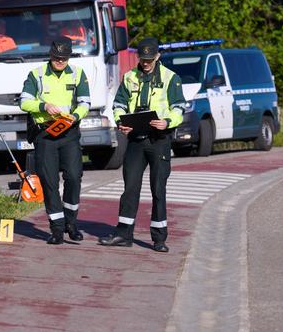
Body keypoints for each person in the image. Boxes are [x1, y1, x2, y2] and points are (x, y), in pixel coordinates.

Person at [99, 37, 185, 253]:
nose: (145, 63)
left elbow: (178, 109)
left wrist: (167, 122)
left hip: (159, 140)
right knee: (130, 189)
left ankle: (159, 238)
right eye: (142, 59)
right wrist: (121, 122)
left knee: (158, 189)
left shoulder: (170, 78)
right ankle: (123, 234)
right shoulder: (129, 77)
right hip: (136, 140)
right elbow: (118, 105)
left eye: (149, 59)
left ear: (157, 56)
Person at [20, 36, 91, 244]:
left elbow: (85, 103)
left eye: (64, 58)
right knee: (49, 181)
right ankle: (57, 229)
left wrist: (75, 116)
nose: (60, 61)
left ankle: (71, 223)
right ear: (50, 56)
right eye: (57, 57)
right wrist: (43, 106)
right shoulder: (37, 74)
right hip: (45, 133)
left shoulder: (78, 74)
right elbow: (24, 102)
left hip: (69, 131)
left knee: (73, 176)